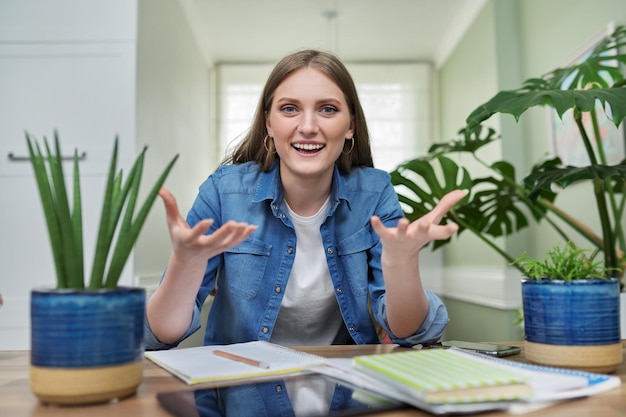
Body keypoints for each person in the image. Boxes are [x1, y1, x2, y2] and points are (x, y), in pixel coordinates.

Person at [144, 49, 466, 351]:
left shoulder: (375, 192)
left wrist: (401, 264)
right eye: (289, 109)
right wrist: (184, 265)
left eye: (328, 109)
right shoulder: (223, 191)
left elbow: (408, 332)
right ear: (269, 123)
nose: (308, 127)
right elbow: (161, 335)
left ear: (350, 125)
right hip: (241, 397)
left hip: (345, 394)